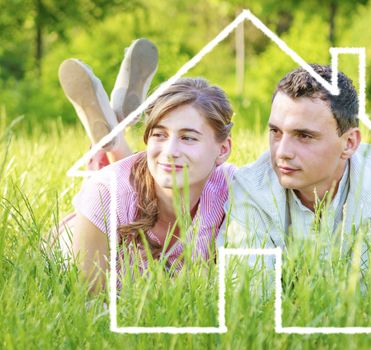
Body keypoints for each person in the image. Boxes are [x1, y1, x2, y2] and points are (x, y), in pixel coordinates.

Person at [53, 39, 235, 292]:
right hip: (71, 237)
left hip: (129, 190)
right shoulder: (105, 194)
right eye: (159, 135)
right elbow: (90, 305)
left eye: (188, 137)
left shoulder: (234, 192)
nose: (170, 151)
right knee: (117, 183)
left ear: (223, 149)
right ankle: (113, 141)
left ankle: (114, 139)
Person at [220, 64, 371, 265]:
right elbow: (251, 290)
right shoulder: (250, 188)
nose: (282, 152)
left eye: (304, 136)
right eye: (275, 132)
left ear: (349, 143)